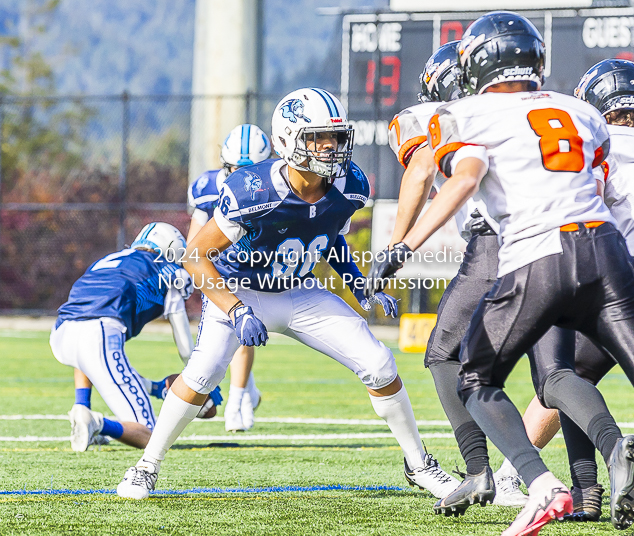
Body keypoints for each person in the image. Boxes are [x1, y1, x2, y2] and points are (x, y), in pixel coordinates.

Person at [368, 12, 634, 534]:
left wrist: (402, 245)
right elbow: (602, 180)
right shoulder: (580, 112)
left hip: (535, 252)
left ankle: (534, 483)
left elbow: (458, 176)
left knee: (472, 373)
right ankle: (591, 478)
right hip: (608, 252)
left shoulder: (459, 114)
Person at [116, 87, 461, 501]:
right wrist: (237, 309)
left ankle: (419, 464)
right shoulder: (253, 190)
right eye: (318, 138)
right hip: (242, 288)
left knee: (379, 363)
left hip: (299, 291)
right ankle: (146, 466)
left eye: (335, 137)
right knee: (202, 374)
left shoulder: (349, 184)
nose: (330, 147)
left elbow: (330, 239)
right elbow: (196, 257)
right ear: (287, 140)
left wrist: (360, 285)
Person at [505, 59, 634, 522]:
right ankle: (577, 493)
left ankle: (570, 487)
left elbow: (581, 211)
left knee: (565, 376)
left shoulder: (594, 146)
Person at [386, 40, 527, 508]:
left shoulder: (447, 116)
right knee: (561, 372)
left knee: (444, 352)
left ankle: (481, 471)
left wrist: (397, 246)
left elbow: (423, 171)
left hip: (496, 245)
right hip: (565, 244)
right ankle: (591, 479)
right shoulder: (526, 111)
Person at [50, 222, 221, 451]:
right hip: (98, 330)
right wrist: (200, 376)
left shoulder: (108, 260)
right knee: (150, 435)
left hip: (62, 332)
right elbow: (183, 340)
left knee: (88, 355)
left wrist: (159, 387)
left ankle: (83, 407)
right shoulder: (170, 271)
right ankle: (97, 423)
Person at [188, 123, 271, 432]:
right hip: (216, 266)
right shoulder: (208, 186)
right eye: (237, 169)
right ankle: (247, 392)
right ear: (225, 164)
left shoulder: (274, 185)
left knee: (243, 325)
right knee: (219, 342)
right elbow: (196, 236)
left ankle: (236, 401)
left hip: (251, 266)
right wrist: (191, 267)